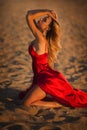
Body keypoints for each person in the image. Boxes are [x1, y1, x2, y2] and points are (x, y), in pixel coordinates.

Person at [19, 9, 87, 108]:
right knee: (23, 99)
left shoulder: (41, 39)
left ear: (48, 28)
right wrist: (48, 14)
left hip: (46, 80)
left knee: (25, 104)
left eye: (44, 20)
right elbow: (30, 14)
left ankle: (57, 104)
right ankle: (56, 102)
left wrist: (47, 12)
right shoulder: (40, 37)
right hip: (41, 77)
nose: (41, 19)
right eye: (43, 18)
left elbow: (29, 15)